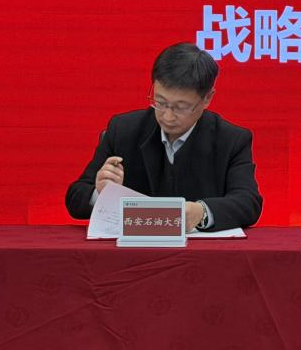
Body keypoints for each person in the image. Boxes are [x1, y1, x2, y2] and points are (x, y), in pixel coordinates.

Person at [65, 43, 263, 230]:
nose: (167, 116)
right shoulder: (123, 130)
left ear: (207, 98)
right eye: (160, 102)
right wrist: (101, 193)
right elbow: (76, 197)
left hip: (199, 251)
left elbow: (248, 202)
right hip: (132, 247)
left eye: (181, 107)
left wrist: (201, 212)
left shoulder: (231, 140)